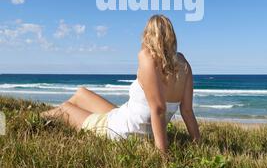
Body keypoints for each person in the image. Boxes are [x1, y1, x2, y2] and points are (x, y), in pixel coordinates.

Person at [41, 15, 200, 153]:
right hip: (127, 117)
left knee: (65, 109)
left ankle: (35, 119)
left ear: (148, 36)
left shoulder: (147, 57)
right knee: (81, 93)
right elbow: (186, 111)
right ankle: (42, 117)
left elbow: (158, 108)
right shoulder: (183, 64)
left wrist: (163, 155)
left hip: (120, 130)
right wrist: (197, 144)